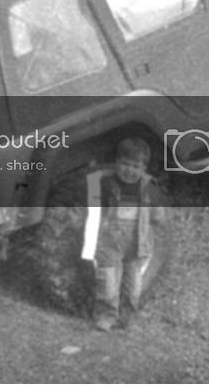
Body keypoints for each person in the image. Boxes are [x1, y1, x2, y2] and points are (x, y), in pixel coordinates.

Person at [80, 137, 166, 332]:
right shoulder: (105, 184)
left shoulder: (149, 188)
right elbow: (92, 208)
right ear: (116, 162)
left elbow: (157, 214)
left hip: (136, 245)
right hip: (109, 242)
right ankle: (106, 317)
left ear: (144, 168)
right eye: (125, 164)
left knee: (133, 287)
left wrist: (158, 218)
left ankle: (126, 318)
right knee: (108, 283)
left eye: (135, 166)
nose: (129, 170)